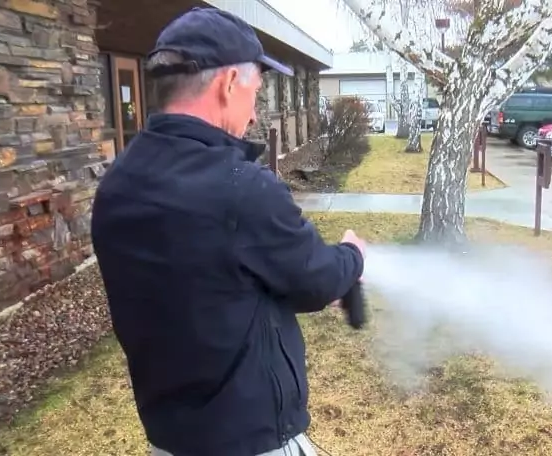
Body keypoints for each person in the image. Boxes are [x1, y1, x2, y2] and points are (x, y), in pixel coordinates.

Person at [90, 7, 366, 456]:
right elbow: (315, 279)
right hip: (250, 440)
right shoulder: (242, 190)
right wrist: (353, 256)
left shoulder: (118, 185)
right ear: (228, 85)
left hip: (171, 439)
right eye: (255, 92)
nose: (255, 115)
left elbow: (213, 275)